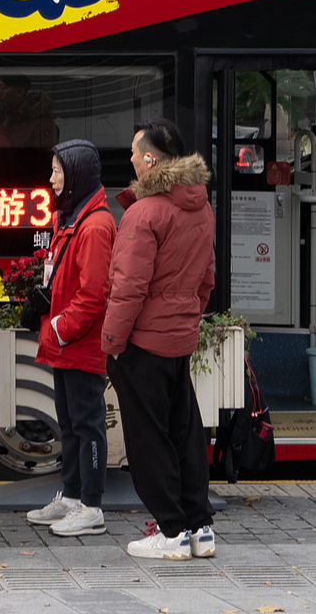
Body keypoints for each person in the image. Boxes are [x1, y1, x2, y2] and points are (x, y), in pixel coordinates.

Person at [101, 118, 217, 561]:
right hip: (179, 339)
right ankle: (199, 527)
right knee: (184, 433)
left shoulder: (144, 213)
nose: (130, 158)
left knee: (148, 440)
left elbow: (128, 286)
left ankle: (170, 533)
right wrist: (186, 316)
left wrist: (112, 341)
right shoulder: (200, 206)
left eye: (134, 151)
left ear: (150, 159)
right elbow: (206, 278)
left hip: (143, 343)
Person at [24, 139, 117, 538]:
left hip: (78, 343)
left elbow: (93, 295)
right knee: (70, 425)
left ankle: (91, 506)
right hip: (66, 343)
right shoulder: (74, 216)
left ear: (76, 175)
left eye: (57, 172)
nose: (51, 179)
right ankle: (73, 495)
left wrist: (60, 327)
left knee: (86, 425)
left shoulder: (94, 225)